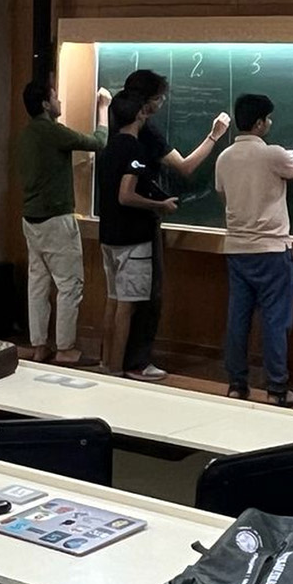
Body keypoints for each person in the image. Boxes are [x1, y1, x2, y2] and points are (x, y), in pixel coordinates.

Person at [111, 69, 230, 381]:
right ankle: (134, 363)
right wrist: (215, 135)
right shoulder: (145, 136)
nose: (162, 103)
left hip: (113, 227)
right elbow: (186, 166)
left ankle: (111, 363)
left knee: (120, 300)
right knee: (145, 298)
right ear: (145, 105)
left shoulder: (116, 130)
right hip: (139, 226)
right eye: (159, 98)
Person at [216, 93, 293, 407]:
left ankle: (236, 385)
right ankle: (277, 389)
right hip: (271, 250)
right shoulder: (273, 154)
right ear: (260, 123)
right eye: (269, 119)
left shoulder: (224, 158)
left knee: (238, 319)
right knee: (276, 320)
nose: (271, 123)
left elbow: (224, 197)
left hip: (237, 248)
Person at [16, 79, 110, 365]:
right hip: (56, 220)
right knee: (69, 285)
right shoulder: (53, 132)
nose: (59, 102)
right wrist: (103, 109)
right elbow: (98, 142)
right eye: (55, 97)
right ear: (46, 104)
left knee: (38, 285)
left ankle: (39, 345)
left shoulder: (26, 134)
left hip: (31, 219)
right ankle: (66, 349)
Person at [96, 91, 182, 380]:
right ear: (139, 114)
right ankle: (117, 370)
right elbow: (126, 195)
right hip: (132, 239)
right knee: (127, 306)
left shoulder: (109, 146)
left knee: (112, 301)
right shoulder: (135, 150)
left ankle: (106, 364)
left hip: (109, 235)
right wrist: (161, 205)